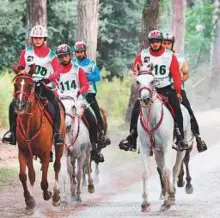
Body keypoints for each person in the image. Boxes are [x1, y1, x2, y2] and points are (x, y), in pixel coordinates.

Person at [119, 30, 188, 152]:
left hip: (164, 88)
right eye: (152, 41)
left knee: (176, 107)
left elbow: (176, 74)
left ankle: (180, 137)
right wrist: (139, 79)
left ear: (161, 42)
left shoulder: (169, 55)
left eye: (157, 41)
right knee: (136, 108)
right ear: (149, 42)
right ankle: (131, 138)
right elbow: (136, 69)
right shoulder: (143, 54)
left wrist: (177, 91)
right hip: (148, 88)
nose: (155, 44)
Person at [2, 25, 64, 147]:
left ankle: (57, 134)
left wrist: (48, 79)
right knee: (13, 105)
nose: (37, 40)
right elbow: (21, 66)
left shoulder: (51, 54)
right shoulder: (26, 52)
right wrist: (19, 70)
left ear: (44, 39)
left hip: (44, 85)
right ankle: (12, 132)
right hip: (29, 85)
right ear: (32, 38)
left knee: (54, 105)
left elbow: (57, 71)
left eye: (40, 38)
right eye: (35, 37)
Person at [56, 44, 104, 163]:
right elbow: (54, 83)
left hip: (82, 97)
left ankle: (95, 143)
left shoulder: (84, 66)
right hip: (64, 100)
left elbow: (91, 81)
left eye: (81, 51)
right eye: (61, 57)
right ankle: (53, 146)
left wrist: (81, 86)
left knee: (93, 118)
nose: (79, 54)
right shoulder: (62, 68)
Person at [163, 32, 207, 152]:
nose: (166, 45)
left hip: (176, 89)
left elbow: (186, 73)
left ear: (172, 45)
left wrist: (179, 79)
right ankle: (135, 136)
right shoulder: (156, 58)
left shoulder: (180, 58)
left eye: (168, 43)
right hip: (159, 89)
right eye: (164, 43)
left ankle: (197, 137)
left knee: (187, 108)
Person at [73, 41, 111, 147]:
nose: (79, 54)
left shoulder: (91, 63)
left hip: (89, 94)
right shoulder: (72, 64)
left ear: (85, 52)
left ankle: (101, 134)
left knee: (97, 114)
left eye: (81, 52)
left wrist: (85, 77)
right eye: (77, 52)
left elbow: (97, 77)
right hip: (75, 94)